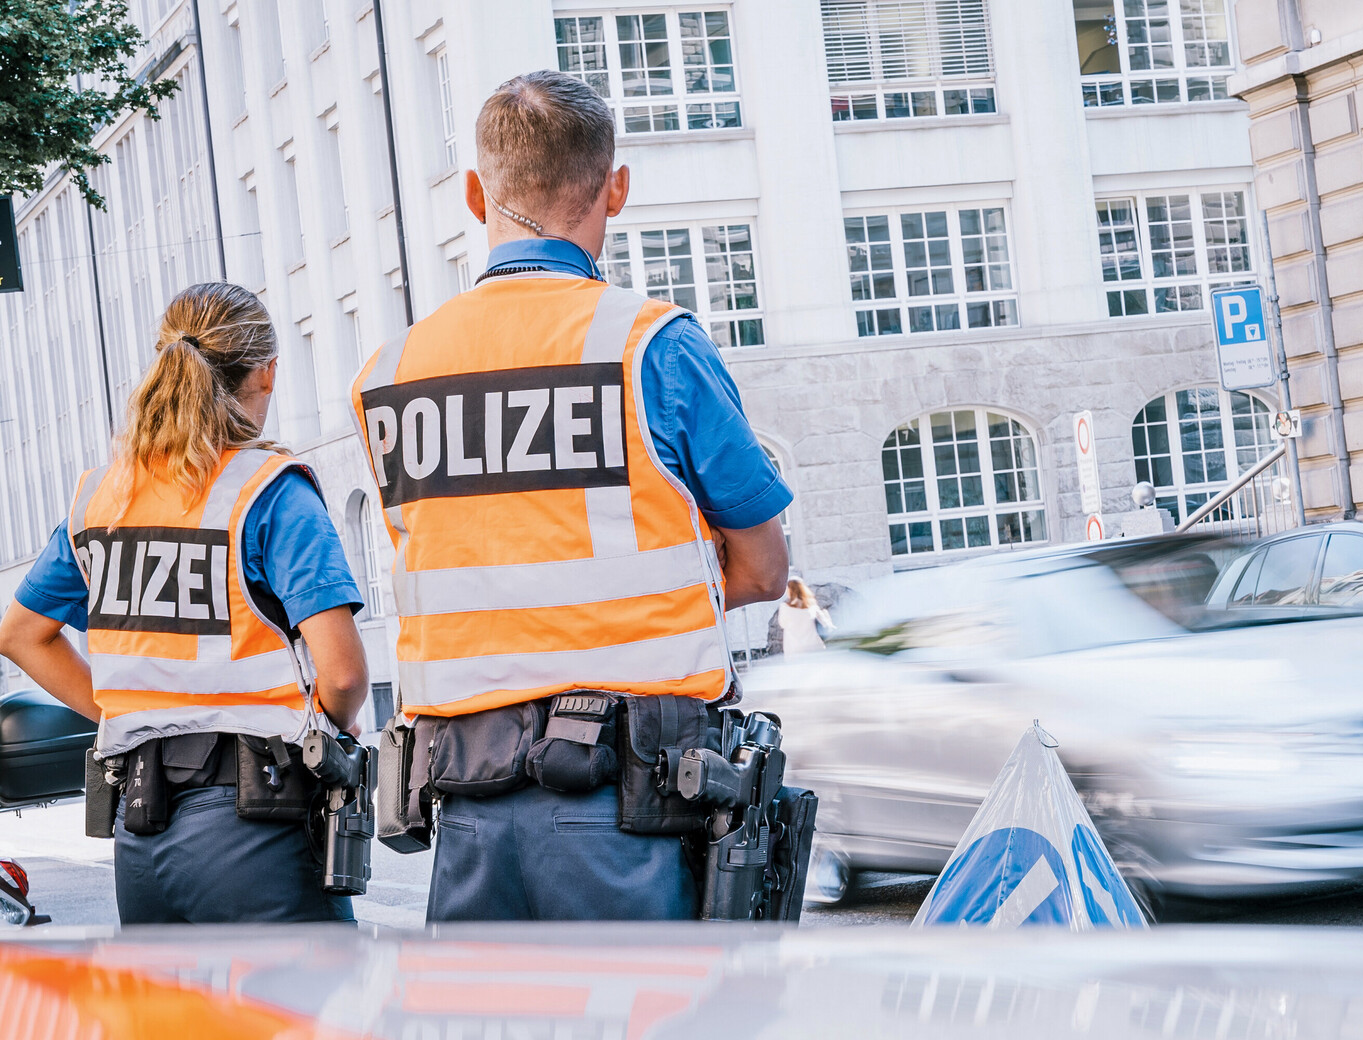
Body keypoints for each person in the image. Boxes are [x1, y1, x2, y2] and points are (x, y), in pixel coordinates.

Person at [352, 70, 791, 922]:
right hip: (628, 811)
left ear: (476, 196)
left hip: (466, 802)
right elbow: (765, 568)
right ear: (615, 189)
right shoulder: (651, 344)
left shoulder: (391, 373)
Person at [0, 282, 370, 924]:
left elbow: (21, 633)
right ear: (267, 371)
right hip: (258, 828)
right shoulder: (268, 490)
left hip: (140, 833)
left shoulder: (103, 500)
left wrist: (124, 711)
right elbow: (342, 675)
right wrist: (330, 723)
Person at [777, 578, 832, 656]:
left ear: (789, 590)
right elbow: (826, 625)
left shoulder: (784, 608)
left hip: (794, 649)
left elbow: (782, 624)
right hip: (814, 647)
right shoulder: (812, 607)